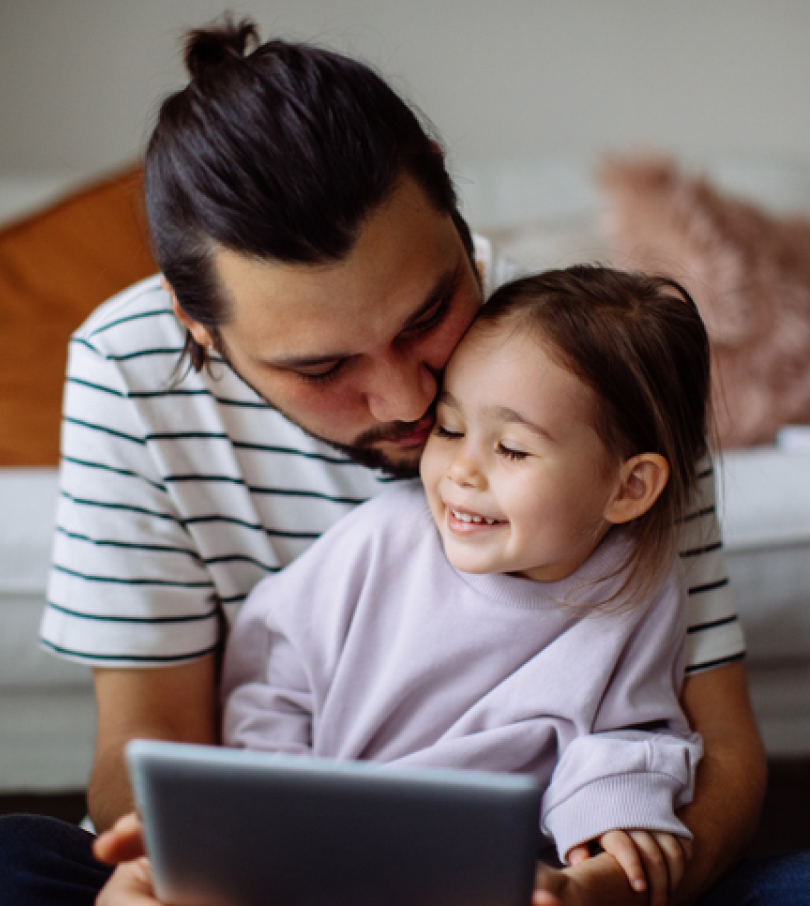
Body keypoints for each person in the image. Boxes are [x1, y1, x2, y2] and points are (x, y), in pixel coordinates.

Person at [0, 14, 805, 906]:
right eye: (322, 368)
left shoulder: (593, 364)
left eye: (426, 318)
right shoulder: (125, 367)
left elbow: (716, 741)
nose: (408, 404)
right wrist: (183, 858)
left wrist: (619, 887)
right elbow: (149, 736)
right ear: (197, 325)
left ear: (444, 194)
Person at [220, 265, 710, 905]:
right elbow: (272, 678)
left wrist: (610, 821)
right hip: (328, 848)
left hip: (488, 874)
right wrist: (281, 809)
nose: (463, 470)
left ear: (629, 487)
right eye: (449, 429)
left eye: (512, 448)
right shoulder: (379, 543)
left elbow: (626, 731)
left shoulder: (636, 585)